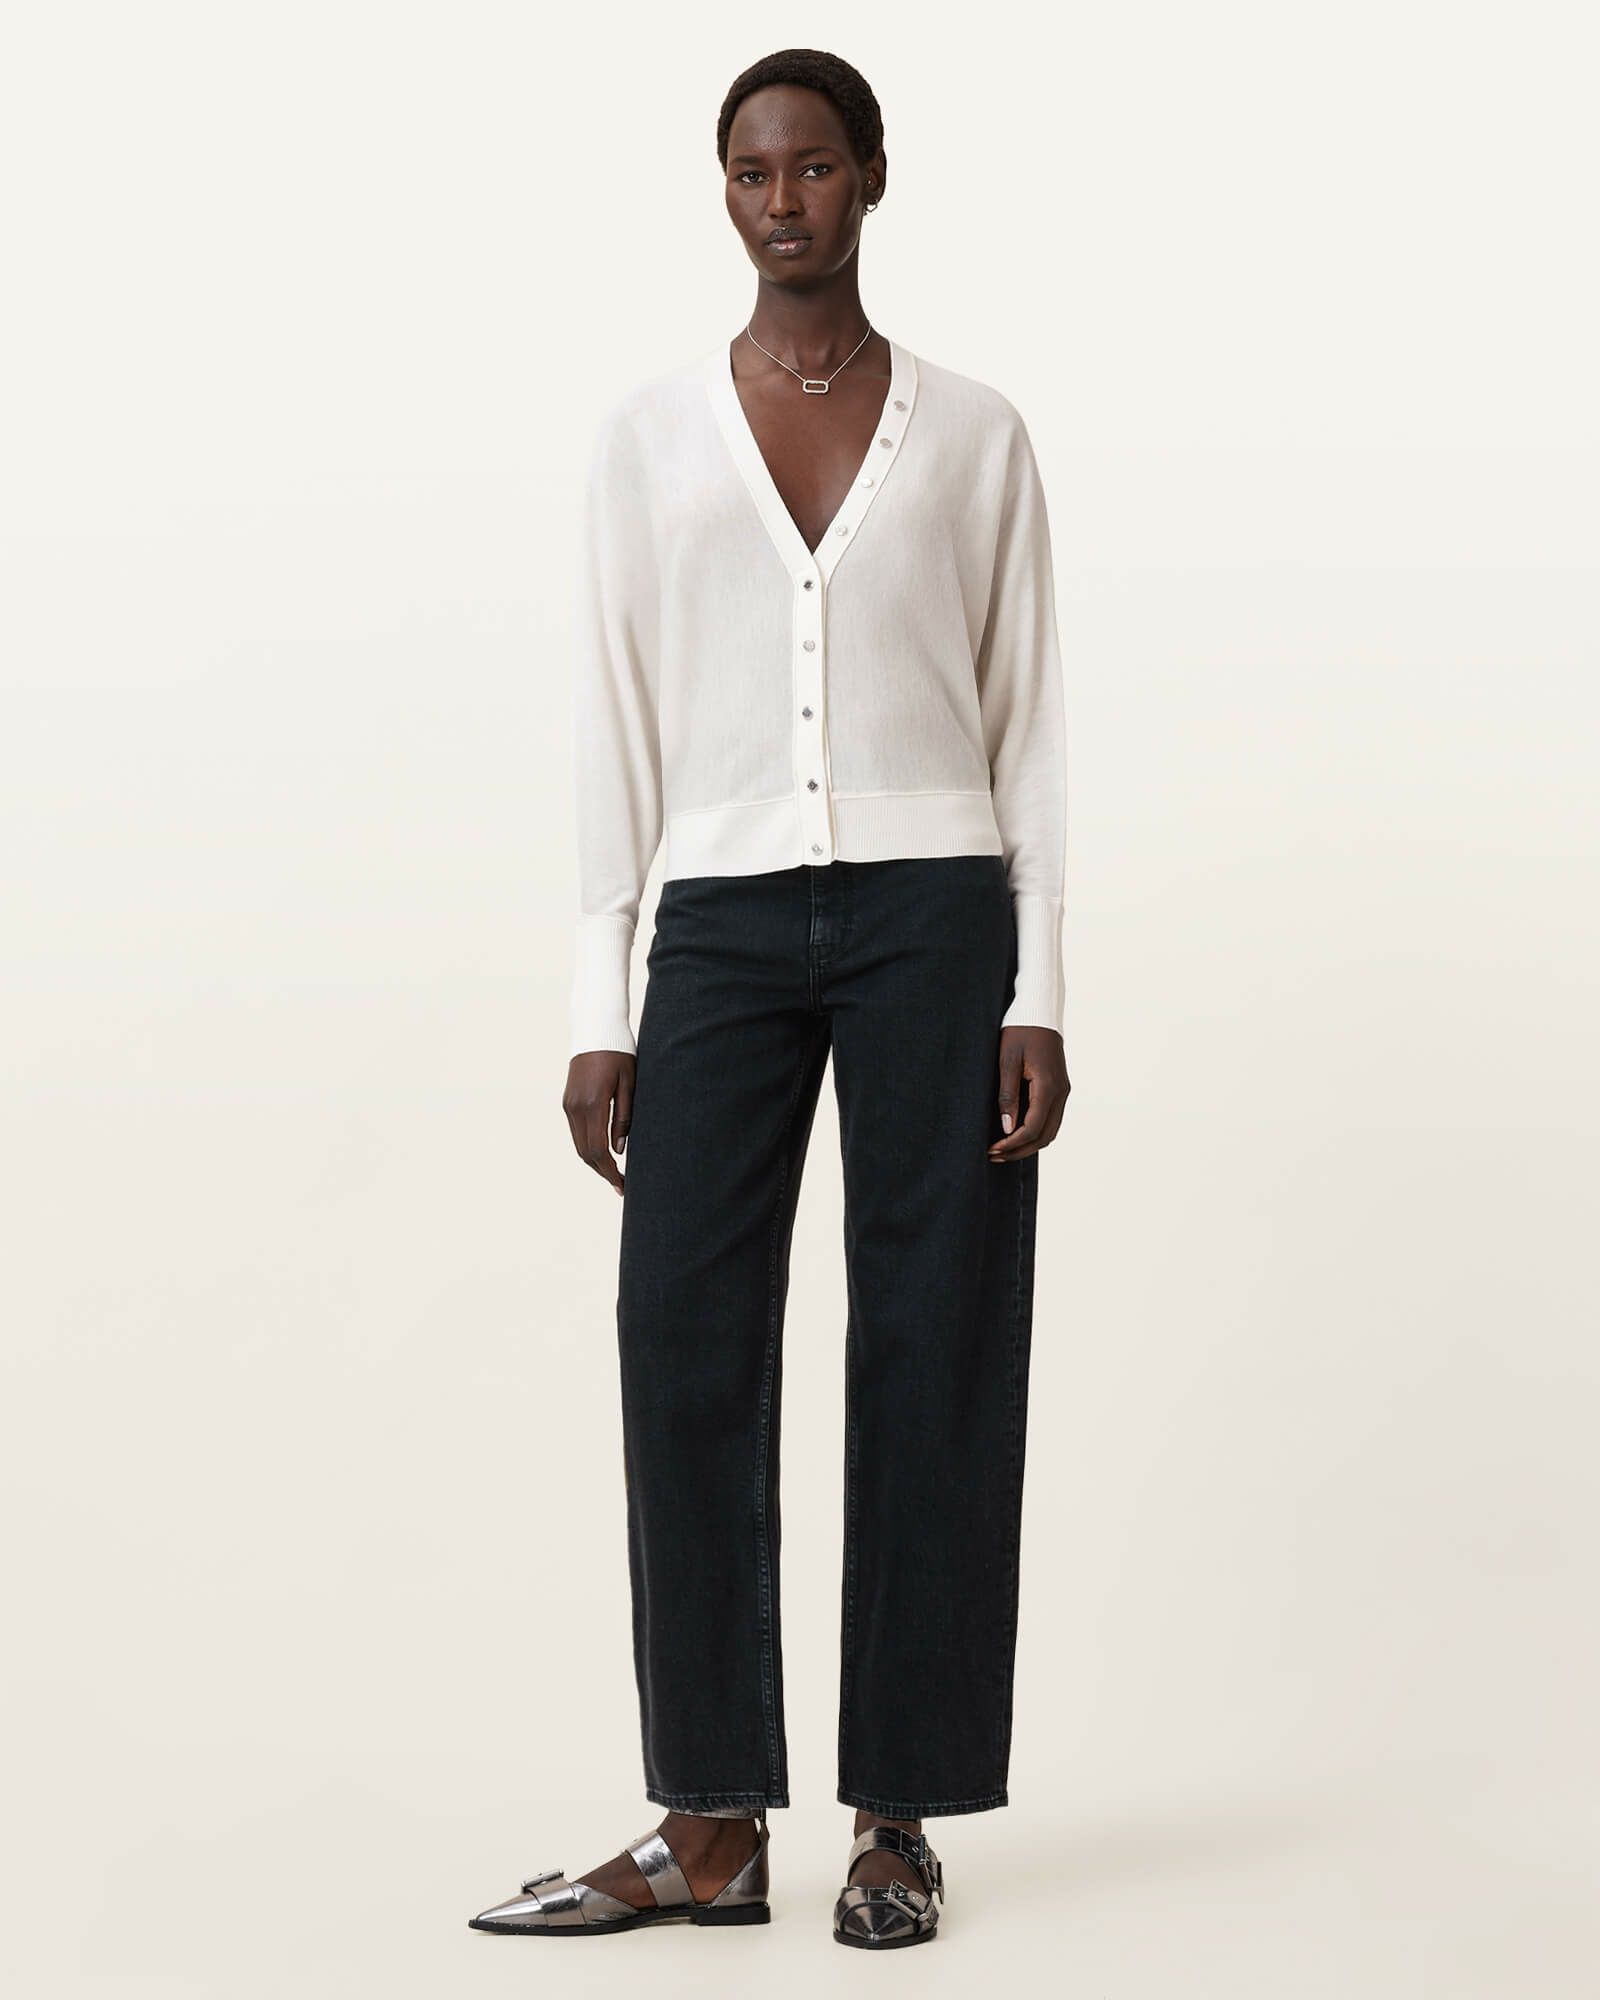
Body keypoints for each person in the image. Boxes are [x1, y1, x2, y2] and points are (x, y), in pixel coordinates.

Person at [469, 45, 1069, 1951]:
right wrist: (601, 1000)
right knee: (683, 1331)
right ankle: (710, 1821)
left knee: (934, 1339)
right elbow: (612, 719)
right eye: (751, 169)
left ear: (873, 177)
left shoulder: (977, 434)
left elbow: (1031, 720)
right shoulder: (648, 437)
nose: (783, 197)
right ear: (721, 190)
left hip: (936, 917)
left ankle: (899, 1815)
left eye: (814, 165)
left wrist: (1040, 981)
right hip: (719, 925)